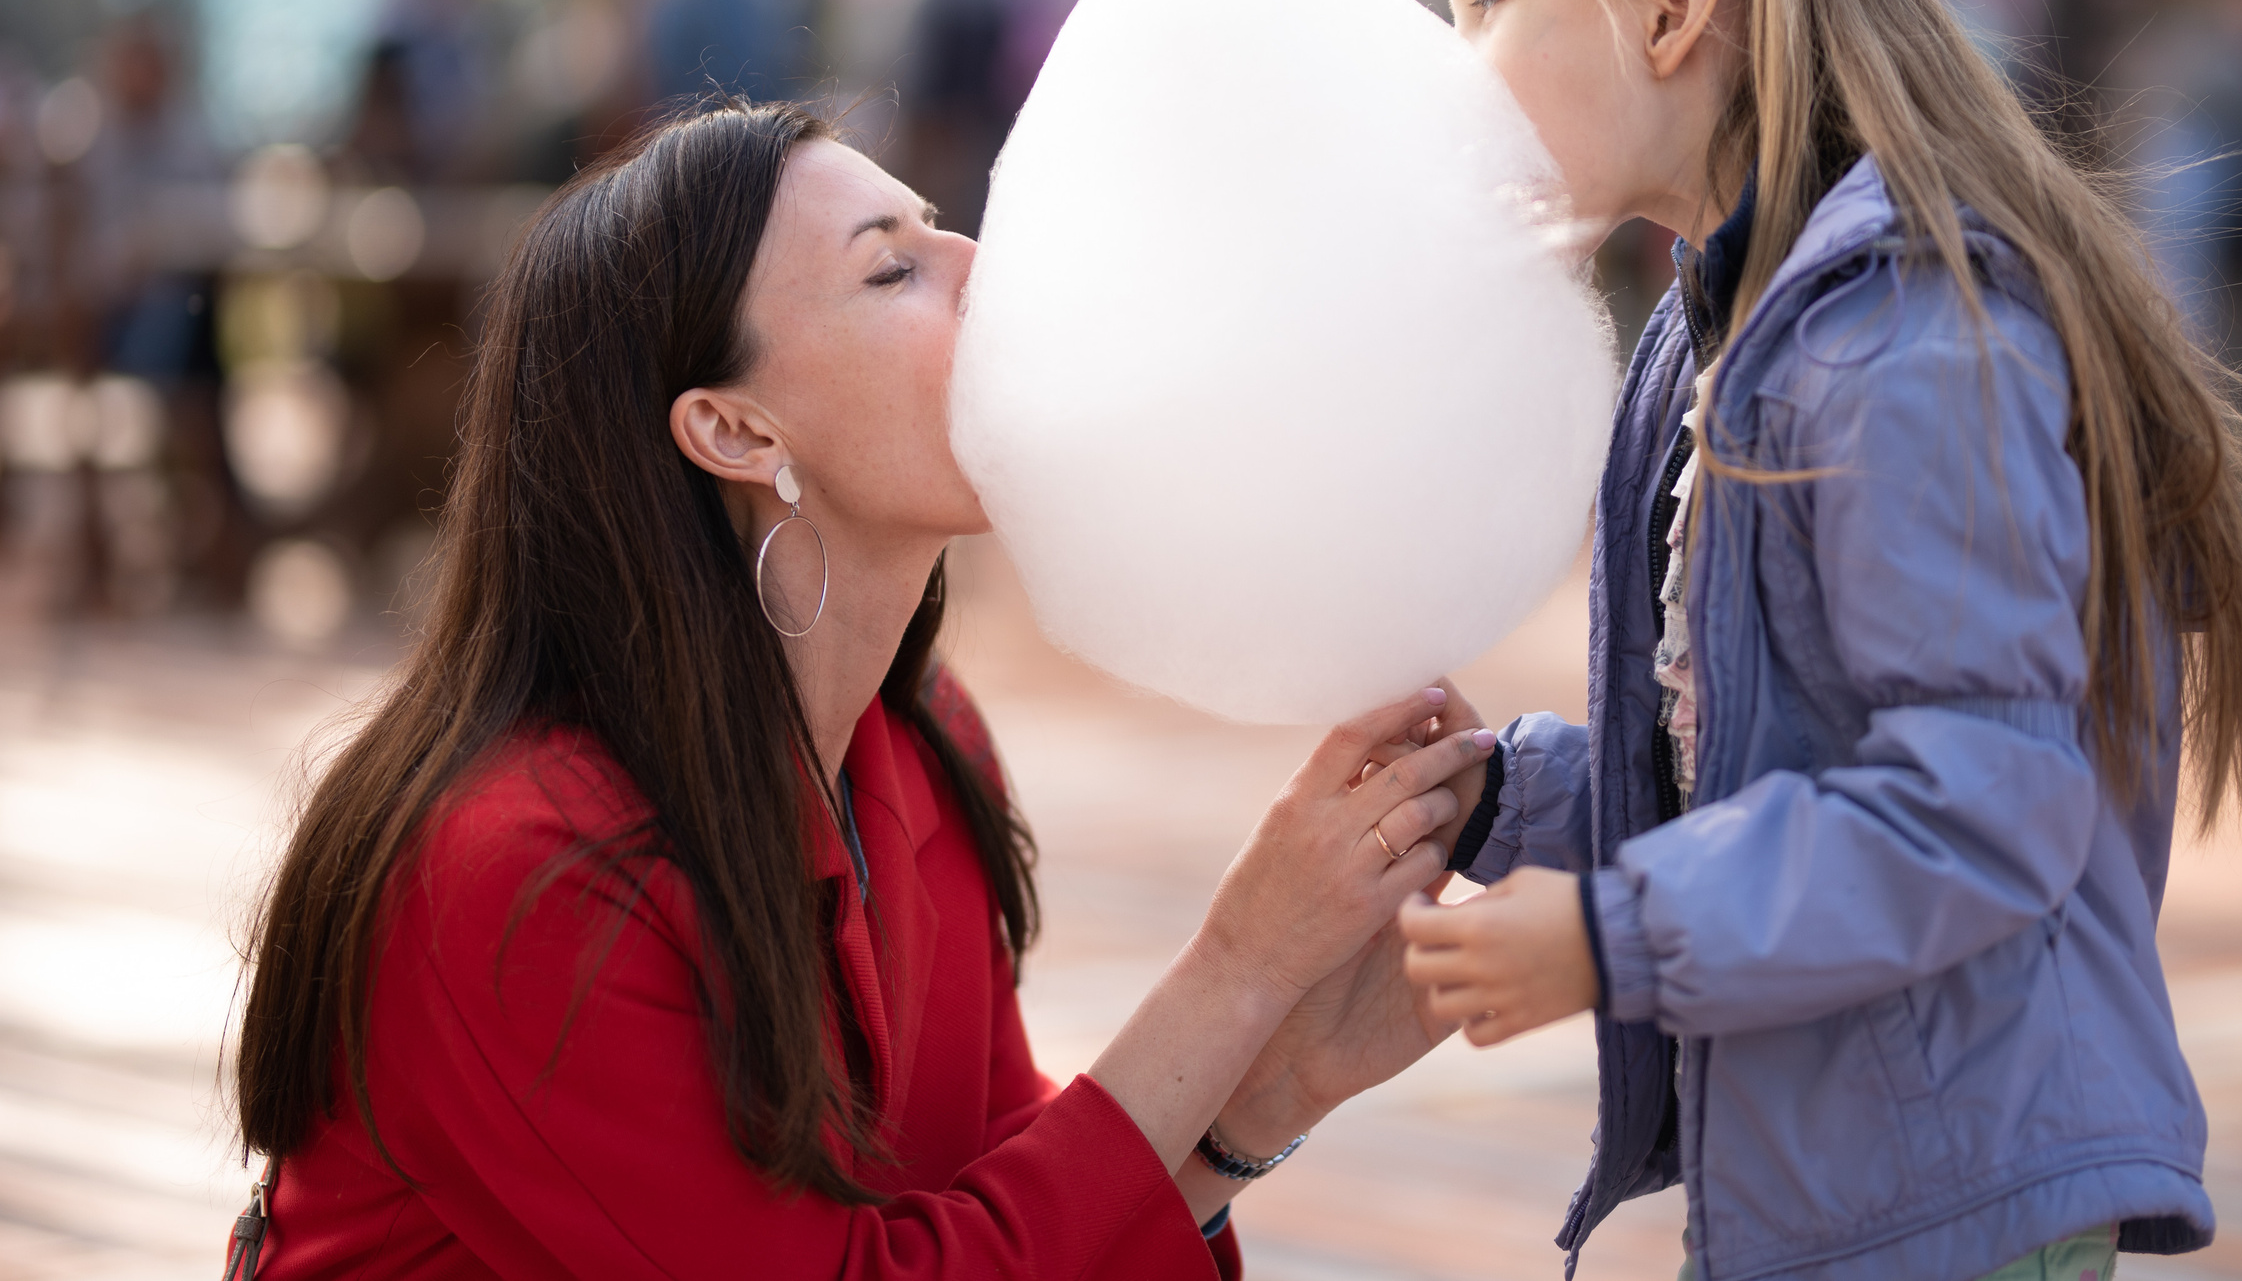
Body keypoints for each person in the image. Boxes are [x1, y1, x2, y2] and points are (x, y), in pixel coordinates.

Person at [228, 101, 1493, 1279]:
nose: (984, 267)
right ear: (736, 431)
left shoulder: (924, 740)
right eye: (893, 268)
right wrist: (1239, 966)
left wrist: (1263, 1096)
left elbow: (987, 1191)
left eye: (938, 227)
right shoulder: (520, 867)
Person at [1392, 0, 2242, 1281]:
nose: (1453, 65)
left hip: (1954, 1196)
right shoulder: (1714, 325)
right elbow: (1752, 753)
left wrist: (1615, 937)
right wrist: (1496, 799)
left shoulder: (1904, 333)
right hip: (1836, 1185)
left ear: (1673, 5)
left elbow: (1979, 799)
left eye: (1486, 3)